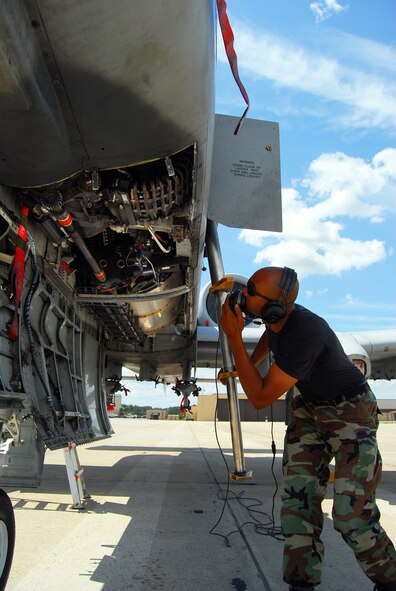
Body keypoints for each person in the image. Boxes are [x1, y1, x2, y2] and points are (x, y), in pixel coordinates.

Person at [220, 266, 396, 591]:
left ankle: (389, 579)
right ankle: (301, 584)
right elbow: (269, 336)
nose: (242, 294)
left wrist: (233, 338)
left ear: (274, 306)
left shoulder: (305, 332)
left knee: (350, 516)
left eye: (251, 292)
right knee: (297, 502)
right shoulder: (279, 318)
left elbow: (259, 397)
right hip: (310, 409)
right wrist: (251, 360)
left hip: (351, 414)